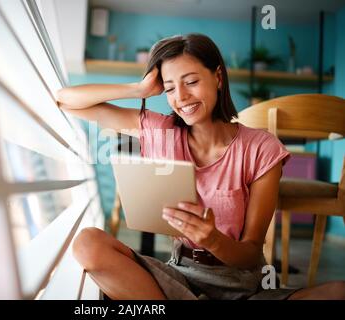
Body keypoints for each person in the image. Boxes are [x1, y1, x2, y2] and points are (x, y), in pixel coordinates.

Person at [56, 34, 345, 300]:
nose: (180, 97)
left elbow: (251, 252)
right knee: (87, 243)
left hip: (241, 286)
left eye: (191, 82)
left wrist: (213, 239)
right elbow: (66, 101)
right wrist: (139, 88)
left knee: (337, 292)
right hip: (180, 277)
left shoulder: (260, 148)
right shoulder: (161, 129)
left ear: (218, 77)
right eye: (170, 88)